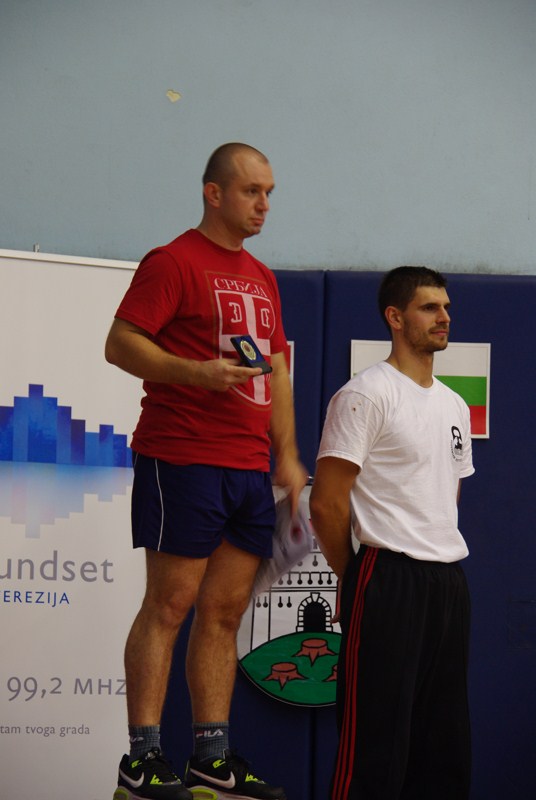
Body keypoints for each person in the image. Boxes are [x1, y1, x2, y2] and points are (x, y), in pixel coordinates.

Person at [105, 142, 307, 800]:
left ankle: (210, 760)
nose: (264, 204)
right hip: (183, 454)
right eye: (251, 191)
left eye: (269, 192)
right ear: (213, 193)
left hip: (248, 467)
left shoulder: (263, 276)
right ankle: (142, 759)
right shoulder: (173, 261)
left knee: (222, 613)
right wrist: (194, 373)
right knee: (170, 605)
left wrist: (287, 454)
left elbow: (277, 367)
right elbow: (120, 343)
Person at [309, 266, 475, 800]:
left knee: (444, 746)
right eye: (429, 307)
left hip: (448, 583)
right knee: (375, 747)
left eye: (445, 307)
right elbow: (326, 502)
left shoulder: (454, 404)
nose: (443, 317)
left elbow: (447, 495)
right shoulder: (365, 394)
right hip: (387, 577)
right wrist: (354, 576)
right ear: (396, 318)